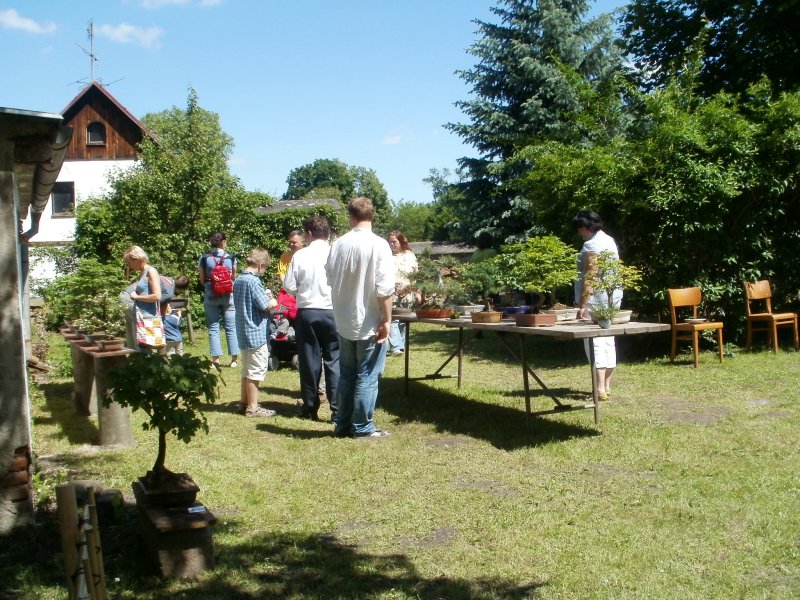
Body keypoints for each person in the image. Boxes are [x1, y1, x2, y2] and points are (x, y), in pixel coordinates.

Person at [325, 197, 395, 438]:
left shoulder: (338, 244)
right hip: (368, 320)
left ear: (351, 217)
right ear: (372, 216)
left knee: (347, 373)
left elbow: (330, 279)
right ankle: (363, 428)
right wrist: (387, 320)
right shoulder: (379, 245)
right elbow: (385, 289)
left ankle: (342, 424)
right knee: (367, 374)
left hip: (343, 319)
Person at [283, 215, 339, 421]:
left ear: (308, 233)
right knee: (335, 359)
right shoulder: (336, 252)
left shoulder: (300, 255)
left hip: (308, 311)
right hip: (333, 311)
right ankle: (337, 410)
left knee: (309, 361)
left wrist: (302, 292)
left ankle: (309, 407)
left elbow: (289, 285)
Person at [573, 209, 621, 401]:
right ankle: (606, 386)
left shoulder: (591, 245)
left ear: (586, 227)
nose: (578, 233)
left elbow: (589, 276)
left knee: (595, 342)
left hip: (596, 301)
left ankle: (599, 388)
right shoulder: (609, 240)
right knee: (609, 339)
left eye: (579, 229)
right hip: (612, 298)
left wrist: (583, 304)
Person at [233, 248, 278, 417]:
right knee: (256, 371)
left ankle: (243, 403)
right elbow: (265, 305)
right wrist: (272, 300)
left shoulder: (238, 280)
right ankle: (253, 407)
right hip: (256, 331)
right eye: (265, 268)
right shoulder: (253, 281)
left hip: (243, 330)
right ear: (260, 266)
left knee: (246, 369)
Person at [199, 232, 239, 371]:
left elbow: (202, 279)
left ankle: (215, 360)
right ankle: (234, 359)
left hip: (211, 293)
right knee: (231, 327)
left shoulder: (204, 258)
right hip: (228, 295)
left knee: (213, 327)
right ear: (224, 242)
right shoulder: (231, 257)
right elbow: (234, 277)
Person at [123, 246, 162, 352]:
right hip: (139, 316)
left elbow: (157, 296)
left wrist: (136, 297)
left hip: (147, 318)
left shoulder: (151, 271)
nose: (129, 266)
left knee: (146, 351)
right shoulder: (142, 273)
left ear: (136, 258)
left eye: (129, 262)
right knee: (138, 350)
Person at [387, 230, 418, 356]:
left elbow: (415, 274)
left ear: (401, 241)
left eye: (394, 242)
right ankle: (396, 347)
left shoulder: (410, 255)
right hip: (392, 292)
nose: (392, 245)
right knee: (393, 319)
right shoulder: (386, 256)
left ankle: (402, 346)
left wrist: (415, 291)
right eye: (390, 242)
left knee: (404, 321)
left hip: (407, 292)